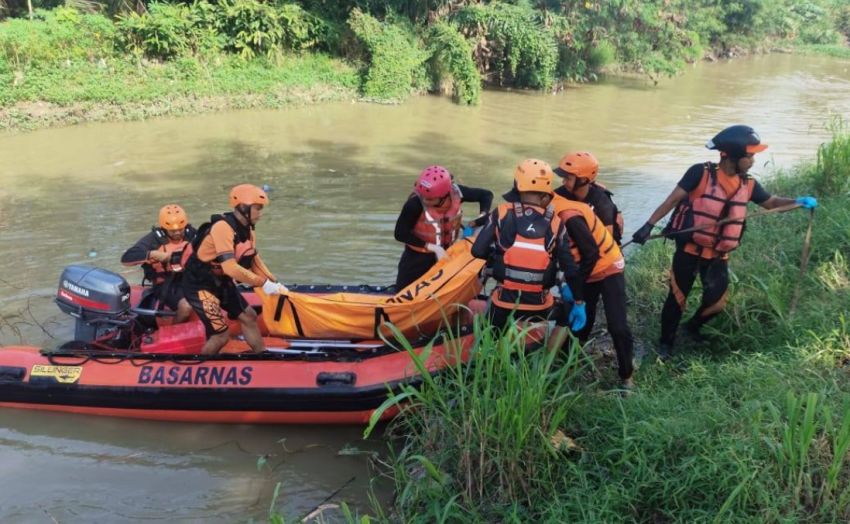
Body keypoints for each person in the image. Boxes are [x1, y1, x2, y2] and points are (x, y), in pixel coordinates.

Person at [630, 125, 818, 358]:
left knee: (717, 303)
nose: (752, 161)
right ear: (733, 155)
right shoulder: (699, 173)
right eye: (749, 156)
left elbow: (771, 203)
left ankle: (691, 328)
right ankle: (665, 344)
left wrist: (797, 202)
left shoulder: (748, 185)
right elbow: (672, 200)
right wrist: (648, 225)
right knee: (677, 298)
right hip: (688, 250)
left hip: (718, 255)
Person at [472, 159, 584, 353]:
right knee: (567, 313)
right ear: (546, 192)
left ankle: (486, 364)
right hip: (539, 306)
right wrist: (580, 302)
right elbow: (571, 270)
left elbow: (477, 251)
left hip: (504, 302)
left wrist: (497, 256)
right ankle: (546, 365)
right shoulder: (556, 223)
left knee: (488, 333)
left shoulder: (501, 213)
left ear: (517, 186)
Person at [553, 152, 635, 387]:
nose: (564, 182)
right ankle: (567, 365)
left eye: (569, 178)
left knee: (617, 325)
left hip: (606, 266)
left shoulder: (601, 202)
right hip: (583, 266)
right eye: (564, 177)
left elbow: (599, 246)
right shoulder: (561, 197)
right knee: (581, 321)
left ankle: (627, 377)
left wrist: (576, 286)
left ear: (585, 180)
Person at [182, 184, 288, 356]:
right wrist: (262, 283)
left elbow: (253, 260)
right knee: (221, 335)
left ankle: (261, 355)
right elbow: (230, 267)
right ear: (244, 207)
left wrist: (273, 281)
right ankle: (201, 367)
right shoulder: (223, 228)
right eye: (258, 209)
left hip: (220, 282)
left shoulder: (247, 230)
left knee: (249, 316)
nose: (260, 214)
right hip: (200, 285)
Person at [394, 165, 493, 289]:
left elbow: (486, 195)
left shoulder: (456, 193)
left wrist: (482, 216)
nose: (425, 201)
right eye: (423, 196)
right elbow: (400, 233)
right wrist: (433, 247)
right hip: (416, 257)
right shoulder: (414, 204)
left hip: (448, 254)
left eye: (430, 199)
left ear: (445, 195)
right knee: (403, 290)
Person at [121, 204, 196, 323]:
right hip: (167, 284)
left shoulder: (192, 234)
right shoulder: (153, 239)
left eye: (180, 229)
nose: (177, 233)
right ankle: (174, 327)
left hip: (190, 280)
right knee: (185, 307)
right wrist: (153, 254)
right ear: (164, 228)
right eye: (172, 231)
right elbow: (126, 258)